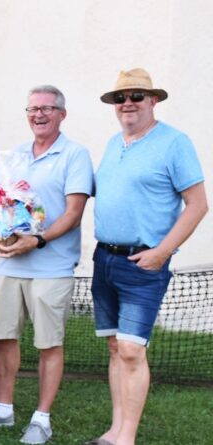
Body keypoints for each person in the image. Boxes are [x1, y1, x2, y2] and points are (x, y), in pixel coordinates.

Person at [0, 85, 93, 444]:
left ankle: (41, 419)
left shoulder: (75, 155)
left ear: (62, 114)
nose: (39, 115)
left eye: (47, 109)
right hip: (9, 265)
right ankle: (3, 410)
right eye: (33, 109)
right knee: (4, 338)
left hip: (52, 267)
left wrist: (37, 240)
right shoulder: (15, 156)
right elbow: (0, 207)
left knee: (49, 344)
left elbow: (74, 213)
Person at [85, 69, 207, 445]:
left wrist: (162, 252)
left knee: (132, 350)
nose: (128, 103)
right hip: (105, 259)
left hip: (143, 263)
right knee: (115, 347)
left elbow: (198, 204)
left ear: (153, 100)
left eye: (137, 96)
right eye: (120, 98)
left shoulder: (174, 142)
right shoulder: (113, 143)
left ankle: (127, 439)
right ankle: (114, 432)